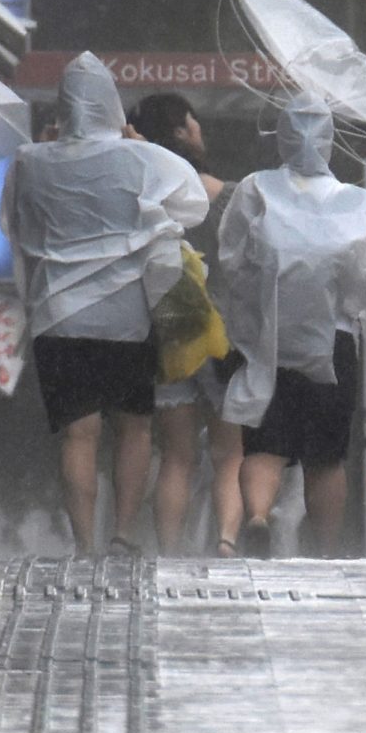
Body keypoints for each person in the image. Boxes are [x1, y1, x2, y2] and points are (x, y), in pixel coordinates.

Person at [2, 55, 207, 552]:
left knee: (79, 435)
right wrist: (136, 145)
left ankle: (84, 545)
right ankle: (122, 534)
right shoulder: (140, 159)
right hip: (126, 317)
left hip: (58, 317)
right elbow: (193, 203)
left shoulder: (30, 161)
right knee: (134, 428)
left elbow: (14, 223)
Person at [214, 96, 366, 558]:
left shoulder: (256, 189)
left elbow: (233, 258)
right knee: (326, 457)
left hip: (271, 341)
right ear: (330, 143)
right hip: (333, 344)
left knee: (265, 445)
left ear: (282, 138)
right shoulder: (357, 203)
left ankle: (256, 517)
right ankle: (327, 550)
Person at [132, 93, 244, 553]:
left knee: (176, 456)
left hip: (168, 333)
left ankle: (169, 551)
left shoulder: (143, 198)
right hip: (223, 339)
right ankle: (226, 541)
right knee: (229, 453)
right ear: (180, 130)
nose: (200, 130)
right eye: (193, 123)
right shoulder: (231, 198)